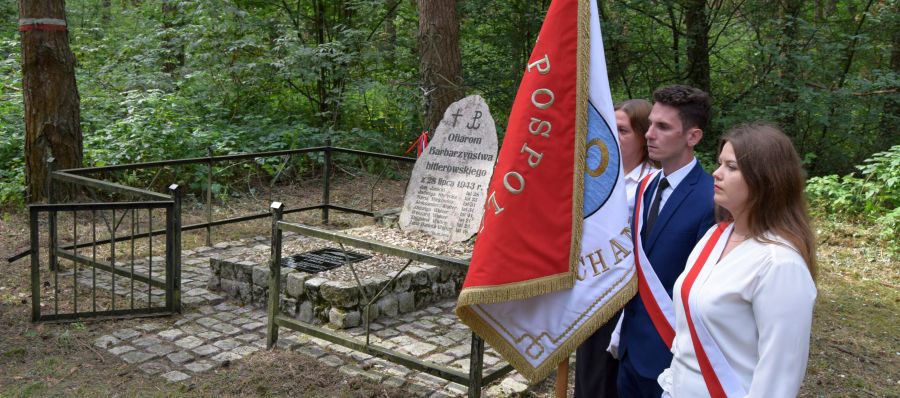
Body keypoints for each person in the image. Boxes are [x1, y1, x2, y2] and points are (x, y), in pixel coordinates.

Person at [658, 123, 817, 397]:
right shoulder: (714, 236)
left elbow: (779, 375)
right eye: (720, 164)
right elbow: (687, 341)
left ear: (765, 180)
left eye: (731, 167)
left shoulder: (780, 264)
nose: (716, 174)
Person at [618, 85, 716, 397]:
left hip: (672, 358)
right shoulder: (647, 187)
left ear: (693, 137)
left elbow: (705, 290)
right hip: (628, 353)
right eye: (650, 125)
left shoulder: (711, 199)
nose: (649, 134)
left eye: (663, 127)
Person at [575, 99, 657, 398]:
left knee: (606, 382)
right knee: (587, 377)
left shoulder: (650, 184)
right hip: (589, 288)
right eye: (611, 128)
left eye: (622, 130)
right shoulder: (596, 176)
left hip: (623, 296)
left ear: (644, 137)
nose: (613, 135)